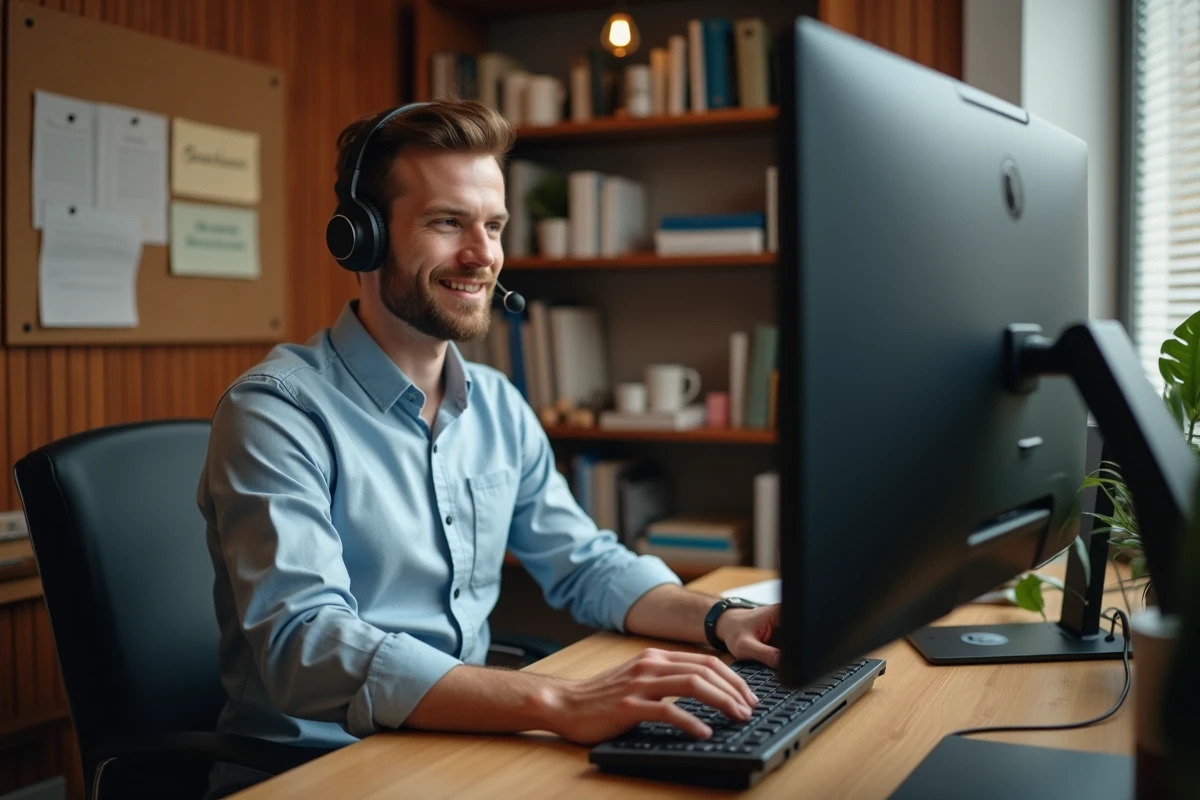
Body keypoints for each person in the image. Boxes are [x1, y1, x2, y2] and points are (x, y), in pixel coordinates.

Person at [197, 98, 781, 796]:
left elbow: (584, 565)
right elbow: (309, 649)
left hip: (458, 748)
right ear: (363, 236)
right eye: (448, 223)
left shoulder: (497, 405)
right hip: (313, 771)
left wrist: (722, 620)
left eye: (494, 225)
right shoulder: (276, 411)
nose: (483, 256)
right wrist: (559, 703)